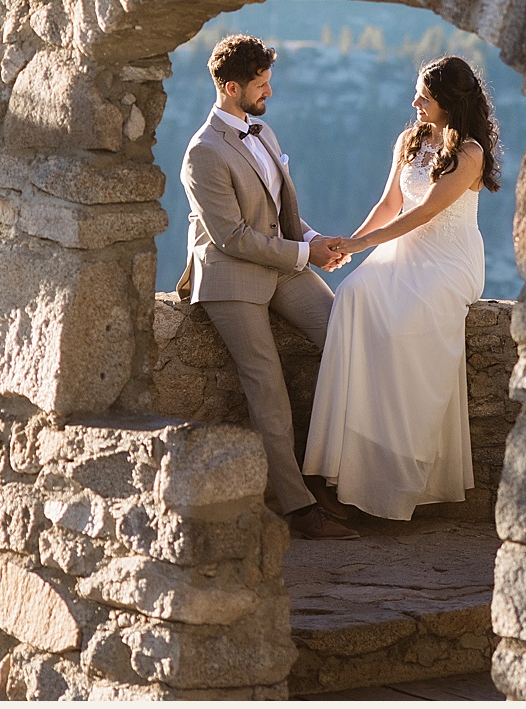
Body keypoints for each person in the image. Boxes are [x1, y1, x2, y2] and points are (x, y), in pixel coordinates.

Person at [177, 33, 361, 541]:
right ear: (231, 88)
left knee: (346, 341)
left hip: (282, 262)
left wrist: (314, 239)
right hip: (231, 276)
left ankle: (330, 475)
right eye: (261, 85)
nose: (270, 93)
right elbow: (233, 237)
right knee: (269, 388)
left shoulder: (264, 131)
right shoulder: (203, 153)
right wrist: (306, 256)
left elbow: (281, 214)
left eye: (269, 83)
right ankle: (299, 509)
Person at [303, 54, 499, 522]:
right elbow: (391, 202)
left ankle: (396, 473)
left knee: (403, 326)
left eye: (425, 97)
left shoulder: (470, 153)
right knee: (352, 297)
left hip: (448, 260)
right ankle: (342, 467)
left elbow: (425, 212)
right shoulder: (411, 140)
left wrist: (361, 242)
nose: (414, 103)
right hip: (403, 252)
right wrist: (348, 249)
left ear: (449, 103)